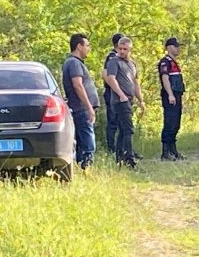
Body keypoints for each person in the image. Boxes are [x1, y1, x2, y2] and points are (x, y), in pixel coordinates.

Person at [61, 33, 100, 170]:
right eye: (87, 45)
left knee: (82, 140)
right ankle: (86, 166)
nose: (89, 49)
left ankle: (82, 166)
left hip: (80, 108)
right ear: (79, 46)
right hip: (81, 109)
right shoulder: (74, 63)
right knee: (87, 141)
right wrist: (89, 107)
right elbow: (78, 85)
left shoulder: (74, 63)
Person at [104, 36, 143, 168]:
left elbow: (135, 83)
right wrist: (121, 95)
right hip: (120, 100)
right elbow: (111, 78)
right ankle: (129, 159)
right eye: (120, 48)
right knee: (128, 130)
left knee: (122, 130)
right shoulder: (114, 62)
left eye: (125, 49)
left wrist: (141, 100)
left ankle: (120, 157)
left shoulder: (132, 64)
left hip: (129, 98)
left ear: (130, 49)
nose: (122, 51)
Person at [157, 37, 186, 161]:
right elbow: (165, 78)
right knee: (169, 122)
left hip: (177, 95)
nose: (178, 48)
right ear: (169, 47)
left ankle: (173, 150)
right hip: (171, 96)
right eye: (175, 46)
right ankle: (165, 151)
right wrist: (170, 94)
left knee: (176, 123)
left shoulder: (175, 62)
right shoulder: (165, 62)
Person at [102, 32, 124, 156]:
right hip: (112, 93)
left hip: (121, 94)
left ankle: (123, 148)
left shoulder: (121, 57)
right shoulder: (112, 57)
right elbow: (105, 74)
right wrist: (115, 88)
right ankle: (112, 149)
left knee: (123, 122)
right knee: (113, 122)